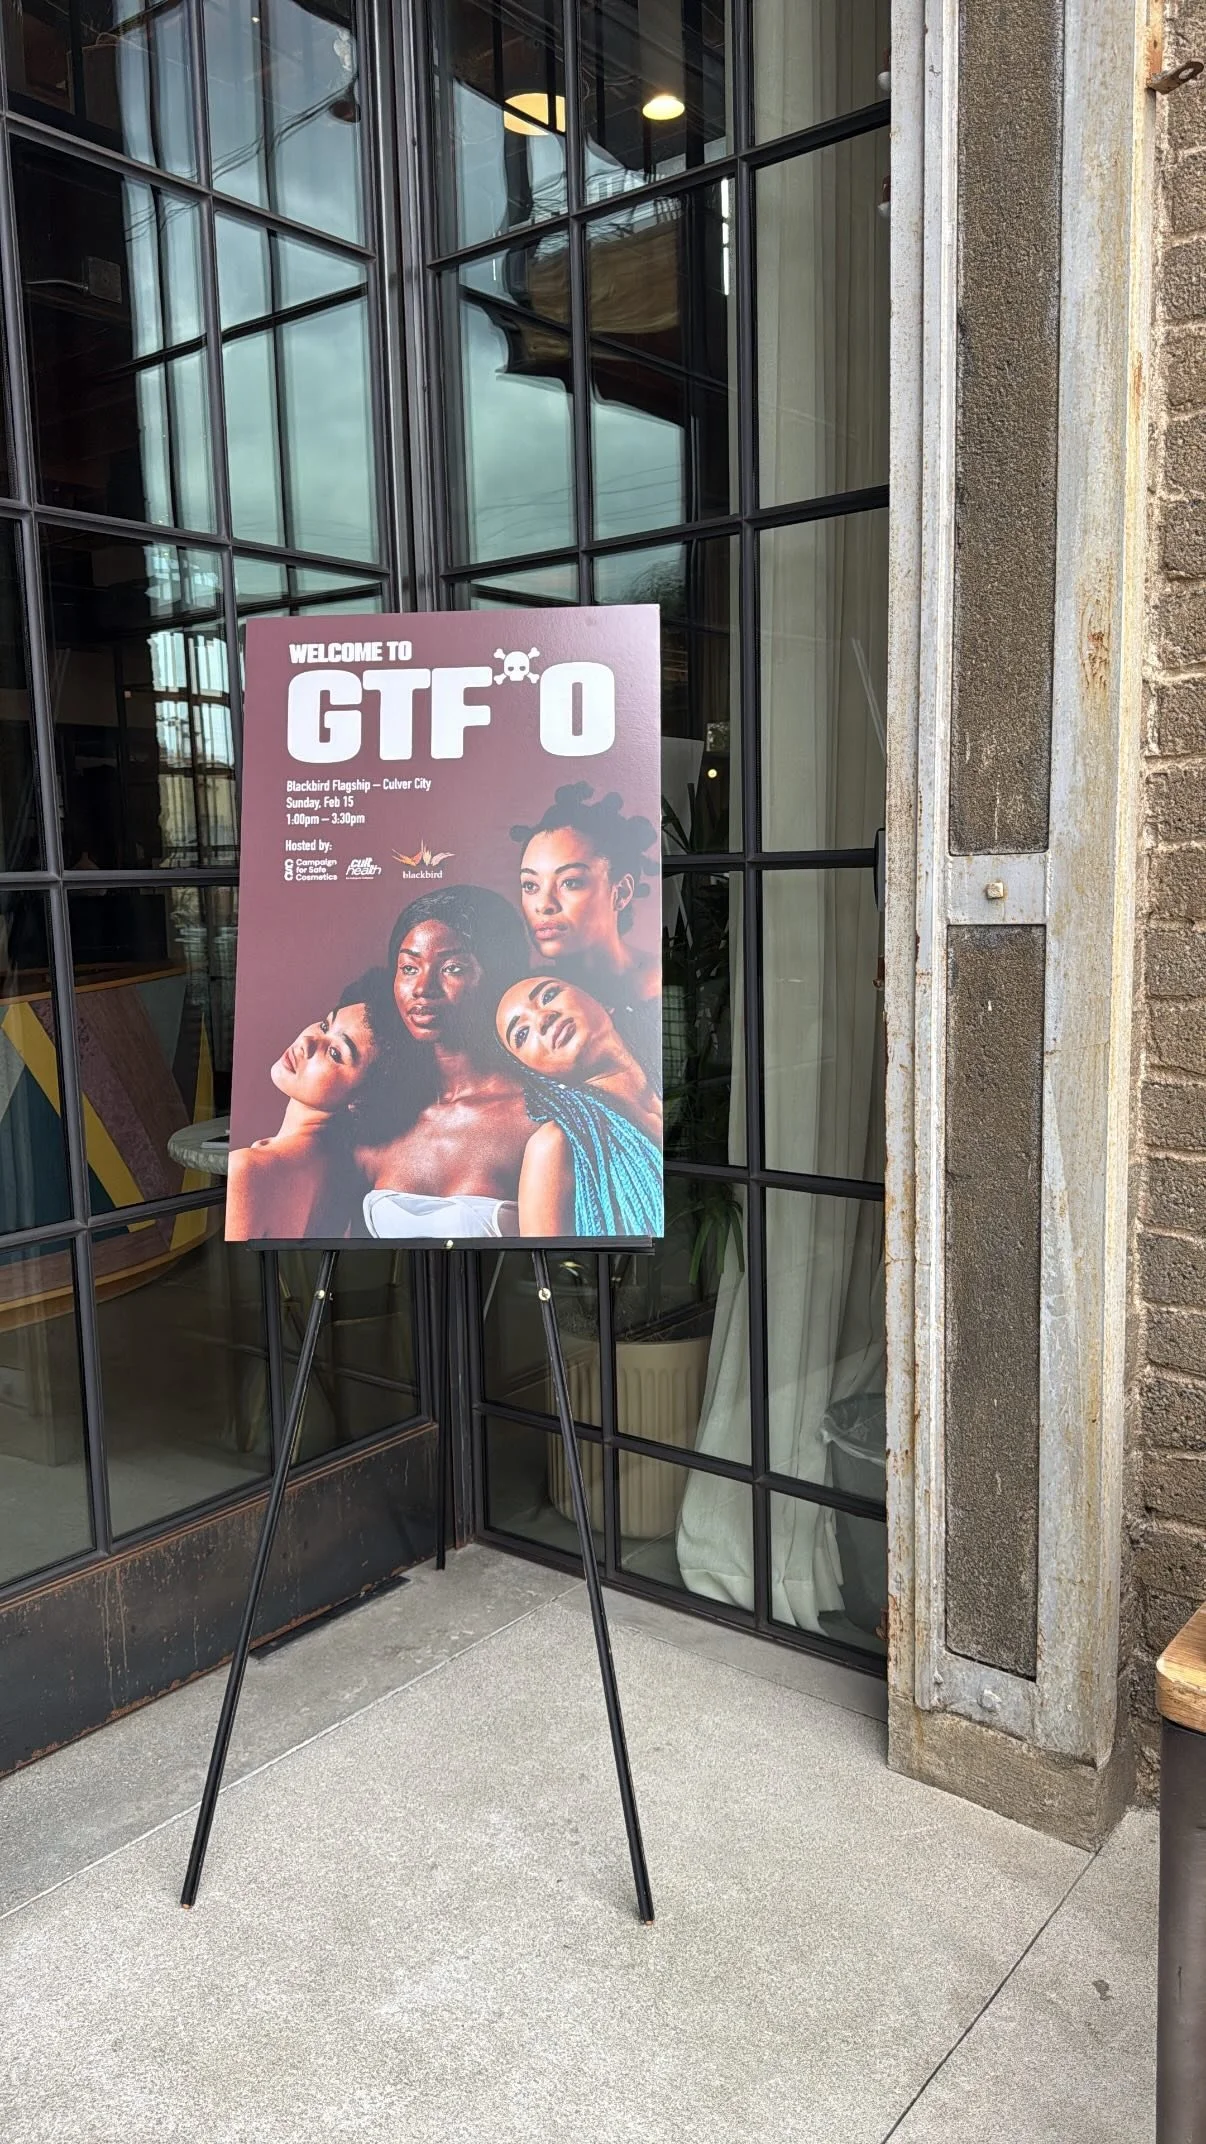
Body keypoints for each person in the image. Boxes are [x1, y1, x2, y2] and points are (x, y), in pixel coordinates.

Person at [358, 885, 534, 1240]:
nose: (423, 988)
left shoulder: (534, 1117)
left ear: (497, 975)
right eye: (409, 968)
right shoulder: (376, 1110)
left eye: (452, 968)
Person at [226, 968, 400, 1240]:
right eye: (325, 1026)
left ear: (361, 1100)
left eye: (335, 1053)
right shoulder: (342, 1173)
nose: (307, 1042)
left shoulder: (249, 1171)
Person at [512, 784, 661, 1084]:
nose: (543, 905)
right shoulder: (528, 1009)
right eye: (530, 886)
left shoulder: (663, 986)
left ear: (622, 892)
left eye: (570, 882)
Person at [495, 975, 663, 1239]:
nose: (542, 1019)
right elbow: (546, 1261)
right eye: (522, 1034)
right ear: (534, 1072)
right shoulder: (553, 1144)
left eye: (549, 995)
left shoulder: (686, 1091)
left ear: (603, 1000)